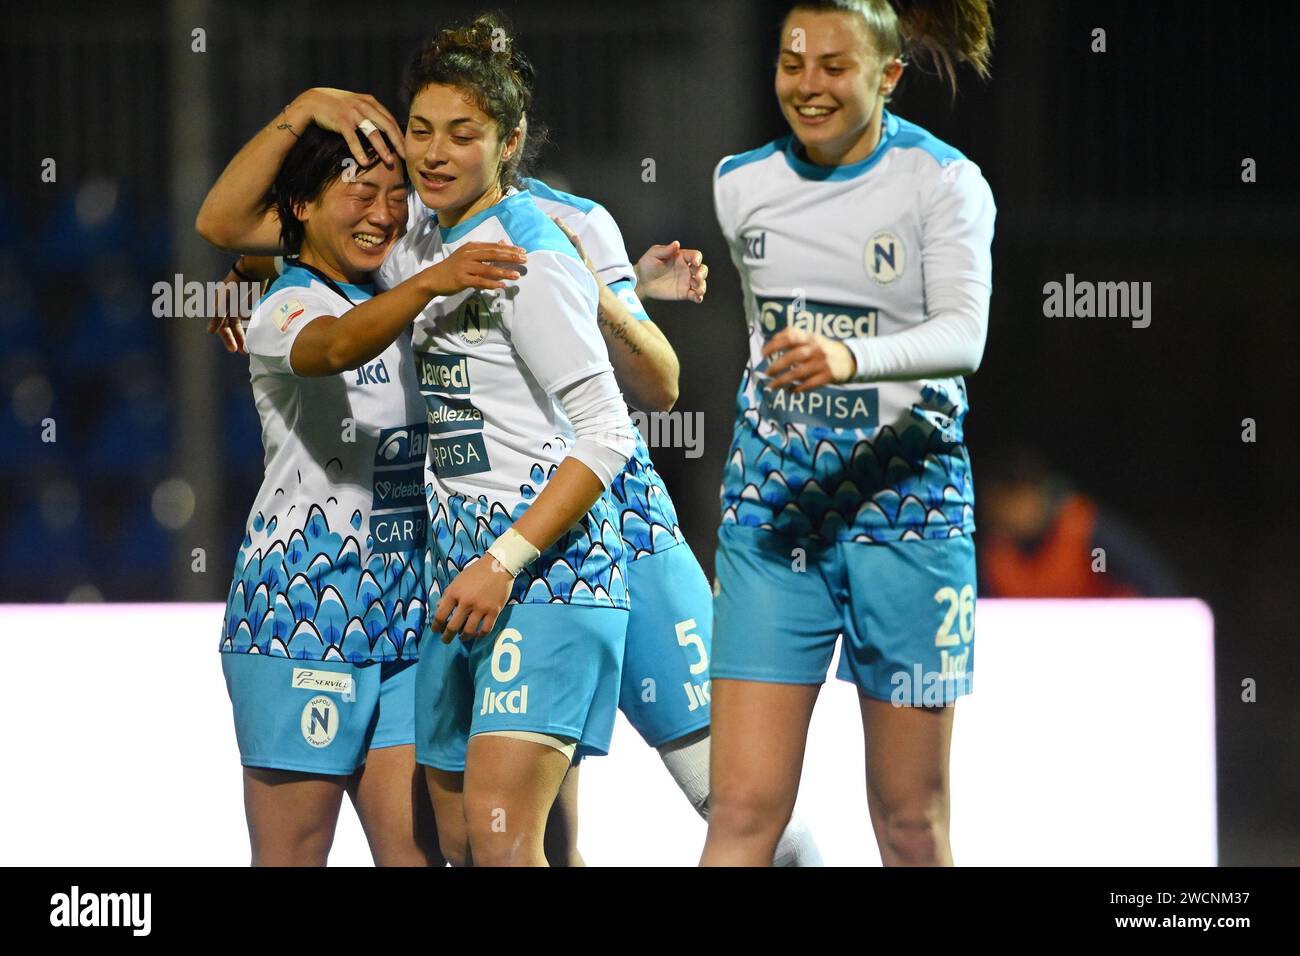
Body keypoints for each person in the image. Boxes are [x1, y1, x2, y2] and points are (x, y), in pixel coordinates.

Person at [703, 0, 995, 866]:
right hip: (774, 519)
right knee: (741, 814)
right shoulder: (738, 182)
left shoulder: (944, 183)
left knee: (909, 822)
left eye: (835, 66)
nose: (808, 85)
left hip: (909, 521)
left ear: (888, 75)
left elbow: (962, 336)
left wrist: (848, 356)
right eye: (793, 64)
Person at [209, 117, 526, 866]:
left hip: (407, 617)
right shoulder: (289, 304)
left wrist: (630, 285)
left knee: (423, 854)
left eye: (395, 194)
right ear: (301, 207)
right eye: (359, 193)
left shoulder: (402, 283)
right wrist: (305, 107)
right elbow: (337, 347)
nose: (383, 212)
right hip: (300, 616)